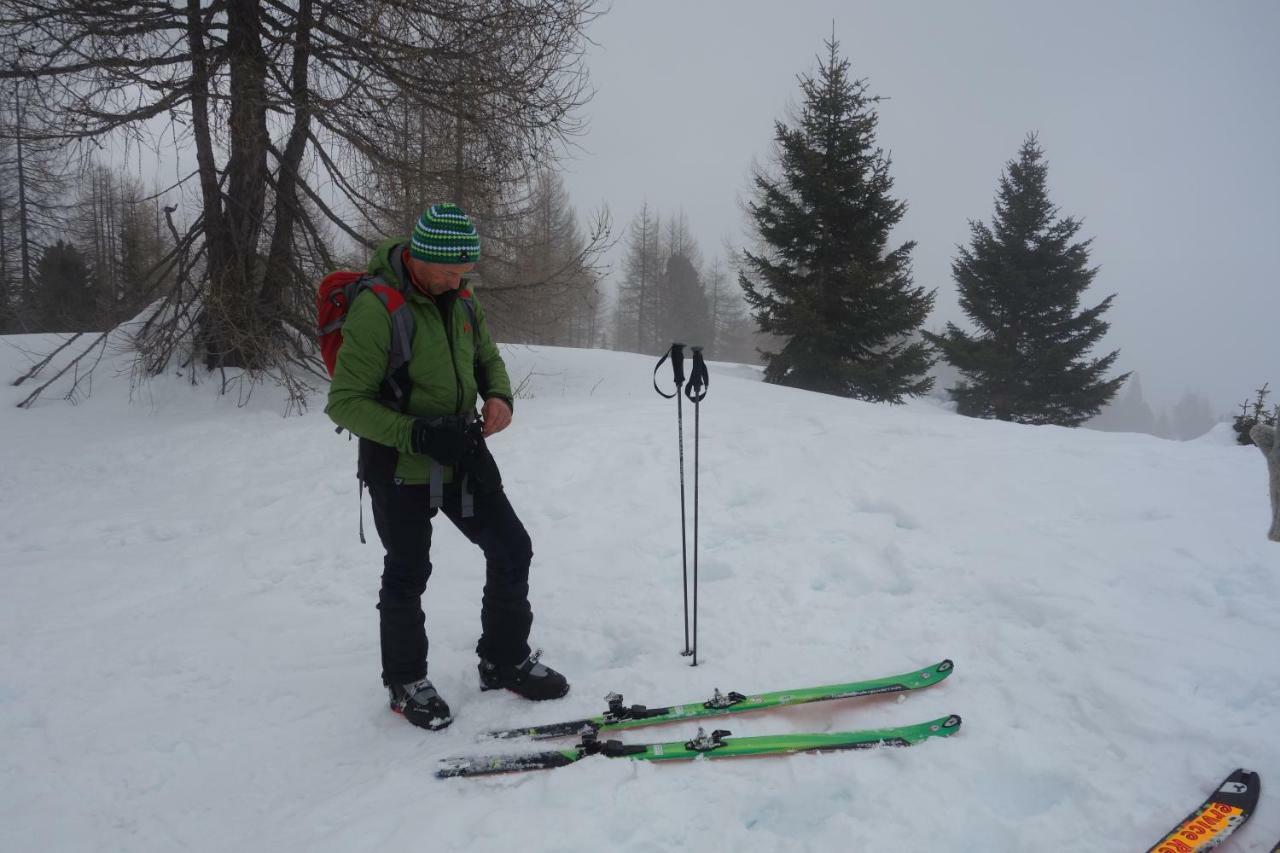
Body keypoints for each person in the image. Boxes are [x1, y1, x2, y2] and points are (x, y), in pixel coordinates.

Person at [325, 203, 569, 731]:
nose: (462, 282)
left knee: (511, 547)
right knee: (409, 571)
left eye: (466, 273)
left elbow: (487, 356)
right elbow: (344, 402)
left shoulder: (461, 298)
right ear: (420, 259)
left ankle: (503, 660)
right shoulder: (379, 309)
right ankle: (406, 681)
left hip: (461, 451)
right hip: (398, 463)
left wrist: (499, 395)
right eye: (452, 272)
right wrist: (415, 432)